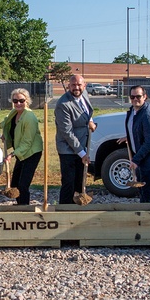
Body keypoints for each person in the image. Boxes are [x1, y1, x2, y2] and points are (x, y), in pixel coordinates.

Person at [120, 86, 150, 204]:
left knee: (148, 190)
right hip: (143, 157)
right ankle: (143, 213)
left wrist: (136, 160)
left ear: (145, 97)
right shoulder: (133, 111)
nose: (135, 99)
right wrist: (129, 137)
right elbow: (138, 130)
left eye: (138, 96)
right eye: (132, 97)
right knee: (142, 189)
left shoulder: (147, 115)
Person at [54, 74, 96, 205]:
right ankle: (64, 212)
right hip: (68, 150)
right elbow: (67, 132)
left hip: (81, 146)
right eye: (73, 85)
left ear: (84, 85)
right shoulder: (63, 104)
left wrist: (89, 120)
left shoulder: (84, 95)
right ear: (68, 86)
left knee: (80, 181)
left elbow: (86, 111)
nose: (76, 88)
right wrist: (82, 154)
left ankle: (77, 211)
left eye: (79, 85)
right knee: (69, 184)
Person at [0, 87, 43, 205]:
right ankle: (19, 206)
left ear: (27, 101)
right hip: (21, 151)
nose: (18, 103)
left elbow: (27, 142)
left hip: (32, 152)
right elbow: (6, 123)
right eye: (15, 101)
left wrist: (12, 154)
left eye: (21, 101)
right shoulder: (14, 113)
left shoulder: (29, 117)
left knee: (23, 185)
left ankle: (24, 209)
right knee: (15, 184)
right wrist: (5, 135)